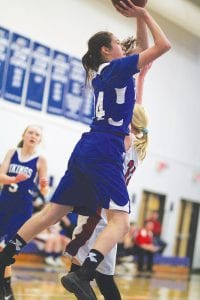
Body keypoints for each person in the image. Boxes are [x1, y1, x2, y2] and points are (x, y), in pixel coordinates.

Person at [0, 1, 171, 300]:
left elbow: (142, 51)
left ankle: (5, 256)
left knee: (53, 211)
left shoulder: (106, 74)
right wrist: (142, 13)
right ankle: (83, 275)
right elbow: (162, 45)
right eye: (118, 43)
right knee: (121, 221)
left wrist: (137, 20)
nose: (122, 45)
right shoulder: (118, 70)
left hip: (87, 144)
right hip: (105, 147)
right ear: (107, 50)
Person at [0, 125, 48, 300]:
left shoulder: (41, 160)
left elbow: (44, 192)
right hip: (4, 204)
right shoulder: (12, 152)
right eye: (31, 132)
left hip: (22, 209)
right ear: (24, 135)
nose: (33, 136)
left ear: (39, 140)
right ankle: (6, 289)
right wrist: (14, 179)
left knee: (7, 251)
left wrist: (43, 186)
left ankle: (5, 290)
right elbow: (0, 176)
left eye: (37, 134)